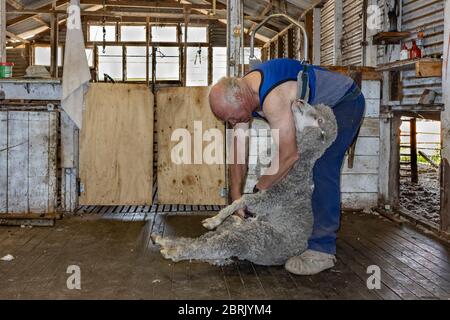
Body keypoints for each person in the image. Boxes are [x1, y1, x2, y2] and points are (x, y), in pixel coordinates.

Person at [208, 58, 365, 275]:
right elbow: (238, 153)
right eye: (229, 121)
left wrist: (256, 195)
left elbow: (289, 155)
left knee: (322, 165)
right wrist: (236, 199)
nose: (233, 123)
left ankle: (322, 249)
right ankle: (301, 233)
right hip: (316, 108)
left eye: (232, 119)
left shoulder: (272, 97)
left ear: (240, 98)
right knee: (287, 170)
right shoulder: (243, 97)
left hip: (345, 102)